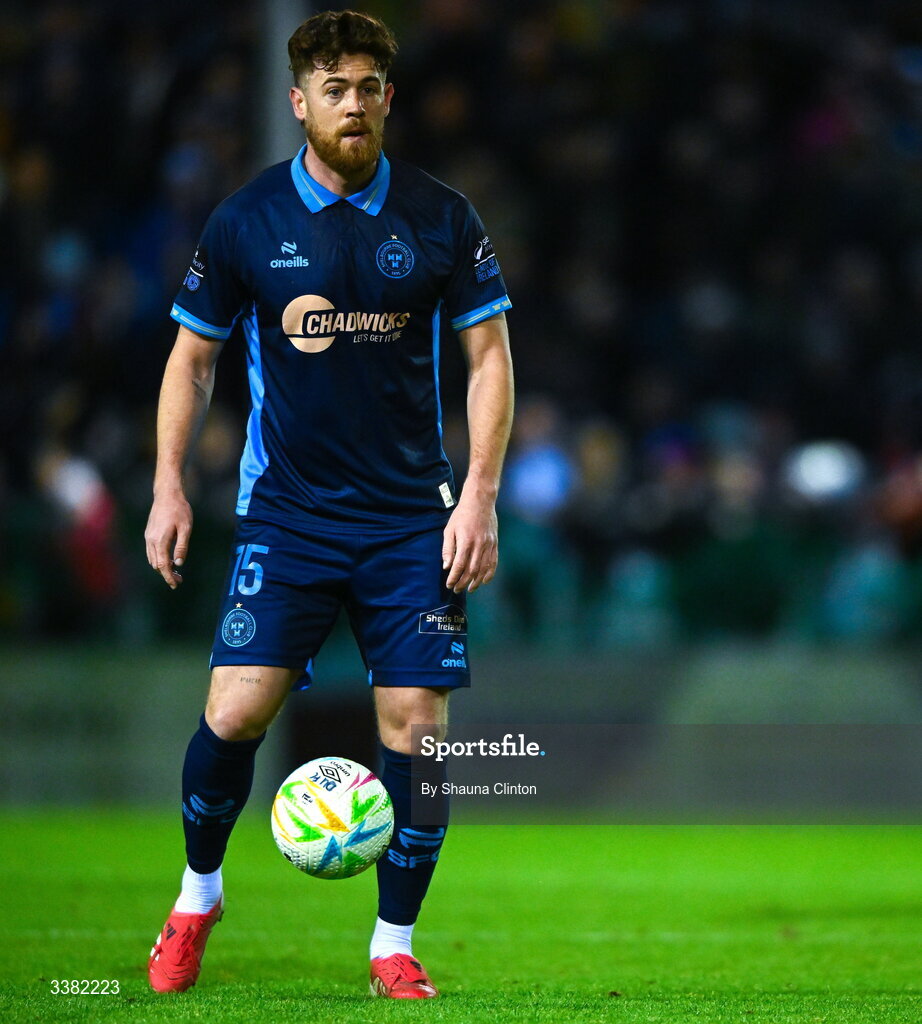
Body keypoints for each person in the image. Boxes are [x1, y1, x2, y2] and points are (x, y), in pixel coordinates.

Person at [143, 10, 513, 1000]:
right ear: (299, 102)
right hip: (290, 515)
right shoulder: (247, 221)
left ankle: (391, 942)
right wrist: (168, 482)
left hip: (409, 523)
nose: (352, 106)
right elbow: (193, 358)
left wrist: (476, 495)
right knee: (233, 711)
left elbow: (487, 358)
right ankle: (197, 894)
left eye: (368, 88)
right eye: (333, 89)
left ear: (390, 98)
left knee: (419, 734)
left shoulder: (441, 216)